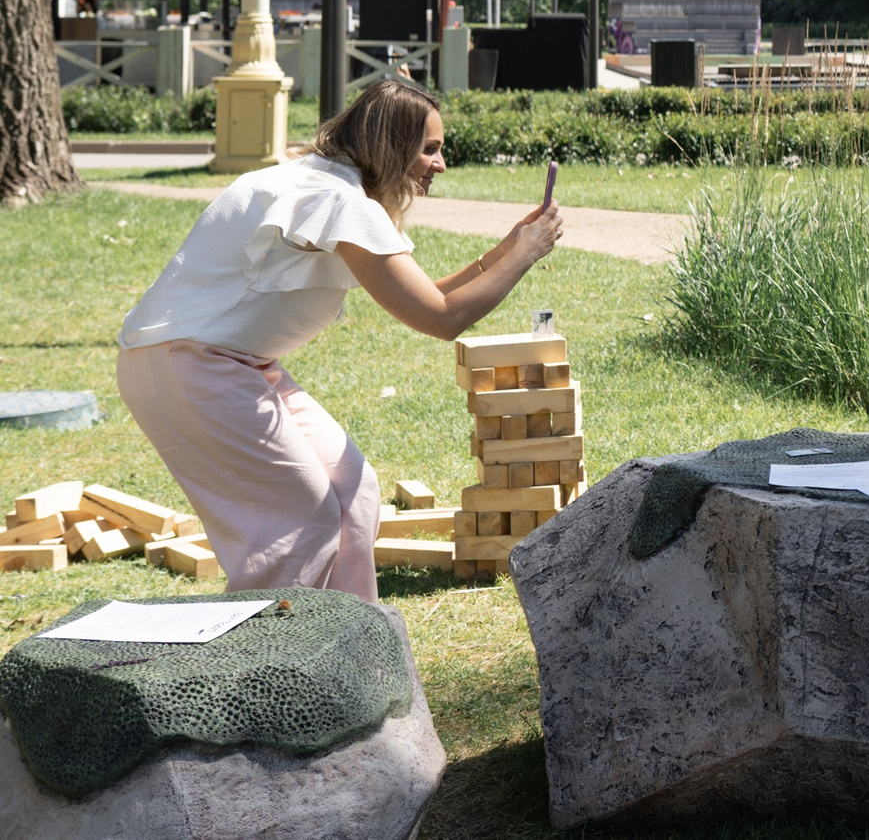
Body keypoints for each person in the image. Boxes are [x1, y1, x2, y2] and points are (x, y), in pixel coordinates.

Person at [117, 80, 563, 596]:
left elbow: (426, 294)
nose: (440, 164)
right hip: (188, 364)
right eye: (430, 149)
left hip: (237, 364)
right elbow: (440, 318)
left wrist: (508, 248)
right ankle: (270, 666)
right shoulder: (339, 200)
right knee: (298, 522)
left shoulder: (332, 187)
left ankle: (355, 651)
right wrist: (527, 255)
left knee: (354, 492)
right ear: (392, 147)